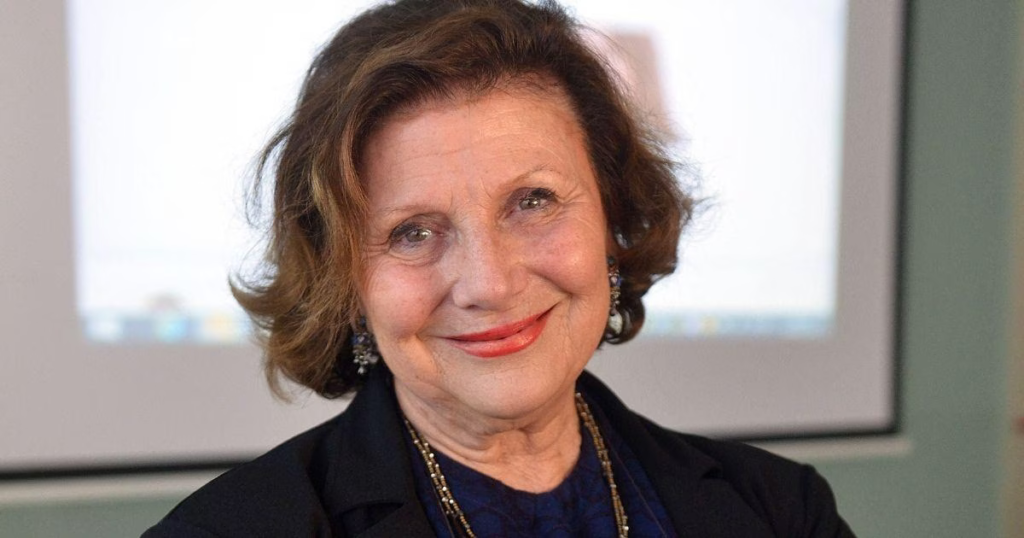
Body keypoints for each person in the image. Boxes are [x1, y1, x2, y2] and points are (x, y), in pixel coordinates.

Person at [145, 0, 854, 536]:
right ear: (346, 284)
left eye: (533, 202)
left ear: (612, 220)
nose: (490, 283)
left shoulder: (780, 512)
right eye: (413, 232)